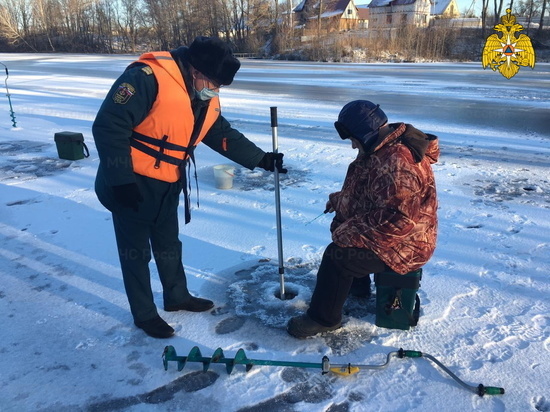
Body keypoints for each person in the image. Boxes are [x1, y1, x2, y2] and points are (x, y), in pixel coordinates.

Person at [93, 36, 286, 339]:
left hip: (169, 180)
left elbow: (219, 132)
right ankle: (144, 314)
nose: (216, 90)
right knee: (136, 253)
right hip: (133, 182)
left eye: (221, 86)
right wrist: (121, 181)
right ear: (195, 70)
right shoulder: (146, 78)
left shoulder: (201, 92)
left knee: (169, 243)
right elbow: (108, 125)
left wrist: (261, 159)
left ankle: (177, 296)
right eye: (213, 82)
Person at [287, 100, 439, 338]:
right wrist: (341, 201)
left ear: (366, 134)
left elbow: (399, 221)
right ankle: (356, 288)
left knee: (337, 256)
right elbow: (371, 192)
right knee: (344, 228)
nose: (352, 147)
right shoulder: (382, 147)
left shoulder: (398, 163)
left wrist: (351, 232)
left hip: (407, 244)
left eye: (353, 140)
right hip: (397, 235)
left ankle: (323, 318)